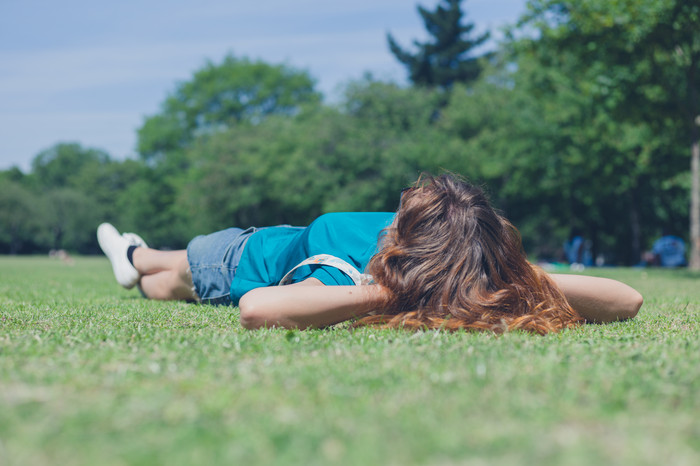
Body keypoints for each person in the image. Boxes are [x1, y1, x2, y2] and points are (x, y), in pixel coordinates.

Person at [97, 174, 643, 334]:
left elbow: (628, 300)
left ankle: (133, 260)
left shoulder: (356, 269)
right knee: (161, 264)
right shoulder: (371, 258)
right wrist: (397, 291)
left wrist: (502, 274)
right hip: (253, 247)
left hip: (250, 256)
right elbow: (258, 307)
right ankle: (134, 252)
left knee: (167, 285)